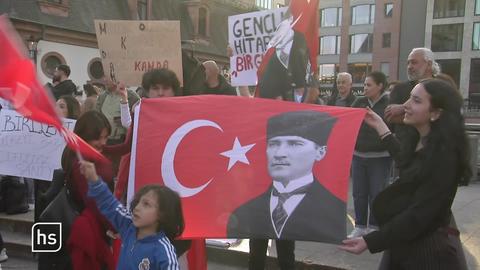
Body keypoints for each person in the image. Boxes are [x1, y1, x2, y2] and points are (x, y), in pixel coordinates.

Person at [340, 79, 469, 270]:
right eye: (410, 98)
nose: (406, 105)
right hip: (407, 242)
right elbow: (407, 163)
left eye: (416, 101)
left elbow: (419, 215)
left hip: (428, 253)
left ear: (435, 113)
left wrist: (371, 241)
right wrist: (380, 126)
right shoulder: (423, 140)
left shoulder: (444, 157)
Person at [227, 111, 345, 268]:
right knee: (256, 253)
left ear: (320, 152)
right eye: (274, 144)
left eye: (295, 144)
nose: (280, 154)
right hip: (257, 219)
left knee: (287, 255)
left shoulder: (332, 208)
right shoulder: (245, 210)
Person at [80, 160, 183, 270]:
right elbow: (110, 204)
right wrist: (94, 179)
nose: (137, 207)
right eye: (138, 202)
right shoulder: (128, 225)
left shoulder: (163, 251)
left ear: (162, 215)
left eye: (146, 204)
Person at [62, 111, 116, 270]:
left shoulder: (84, 152)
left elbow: (121, 148)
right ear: (84, 135)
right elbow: (94, 203)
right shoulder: (82, 165)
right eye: (98, 138)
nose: (103, 142)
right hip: (90, 230)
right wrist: (117, 225)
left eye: (106, 137)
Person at [348, 71, 392, 238]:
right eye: (364, 85)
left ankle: (374, 226)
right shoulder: (359, 102)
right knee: (359, 192)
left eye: (369, 85)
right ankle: (360, 225)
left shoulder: (389, 104)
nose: (365, 88)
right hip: (358, 155)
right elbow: (347, 121)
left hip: (380, 157)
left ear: (380, 86)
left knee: (377, 193)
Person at [385, 47, 439, 142]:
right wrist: (425, 116)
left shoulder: (442, 88)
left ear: (429, 64)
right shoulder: (399, 88)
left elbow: (444, 116)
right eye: (408, 63)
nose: (409, 66)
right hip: (404, 146)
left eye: (414, 62)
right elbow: (390, 116)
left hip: (434, 145)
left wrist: (402, 108)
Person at [96, 77, 140, 145]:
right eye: (104, 77)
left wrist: (124, 119)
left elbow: (139, 118)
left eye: (108, 77)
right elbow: (96, 115)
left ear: (116, 78)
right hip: (104, 139)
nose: (104, 80)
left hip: (122, 140)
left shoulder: (131, 96)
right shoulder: (102, 96)